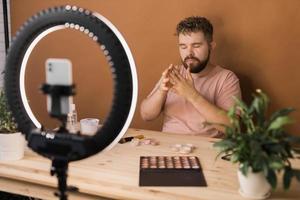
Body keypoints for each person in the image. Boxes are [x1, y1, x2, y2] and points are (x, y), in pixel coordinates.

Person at [140, 16, 241, 137]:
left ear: (211, 46)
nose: (189, 53)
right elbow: (146, 115)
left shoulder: (226, 78)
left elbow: (233, 127)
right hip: (168, 148)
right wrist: (161, 91)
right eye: (183, 46)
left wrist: (191, 95)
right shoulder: (173, 73)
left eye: (196, 46)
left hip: (206, 150)